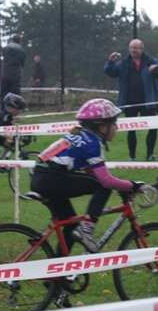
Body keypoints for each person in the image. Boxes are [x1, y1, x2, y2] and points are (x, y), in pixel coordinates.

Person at [30, 99, 138, 253]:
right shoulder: (93, 143)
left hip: (41, 178)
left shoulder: (82, 136)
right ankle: (87, 229)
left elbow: (91, 172)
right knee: (102, 186)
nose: (117, 127)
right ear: (102, 127)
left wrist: (121, 184)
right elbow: (105, 181)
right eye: (114, 123)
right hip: (52, 179)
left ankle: (57, 276)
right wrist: (133, 185)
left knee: (70, 229)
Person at [104, 38, 158, 162]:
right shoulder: (123, 64)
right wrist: (110, 62)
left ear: (141, 49)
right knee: (131, 130)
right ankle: (132, 158)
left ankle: (150, 155)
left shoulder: (149, 61)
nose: (133, 50)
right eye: (131, 48)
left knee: (153, 127)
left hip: (148, 102)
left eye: (135, 48)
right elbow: (111, 72)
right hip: (129, 102)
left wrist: (157, 67)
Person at [0, 34, 26, 107]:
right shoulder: (21, 51)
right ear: (20, 42)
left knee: (4, 94)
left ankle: (3, 110)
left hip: (5, 74)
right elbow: (22, 63)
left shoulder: (5, 49)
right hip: (15, 75)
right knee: (14, 95)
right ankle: (13, 110)